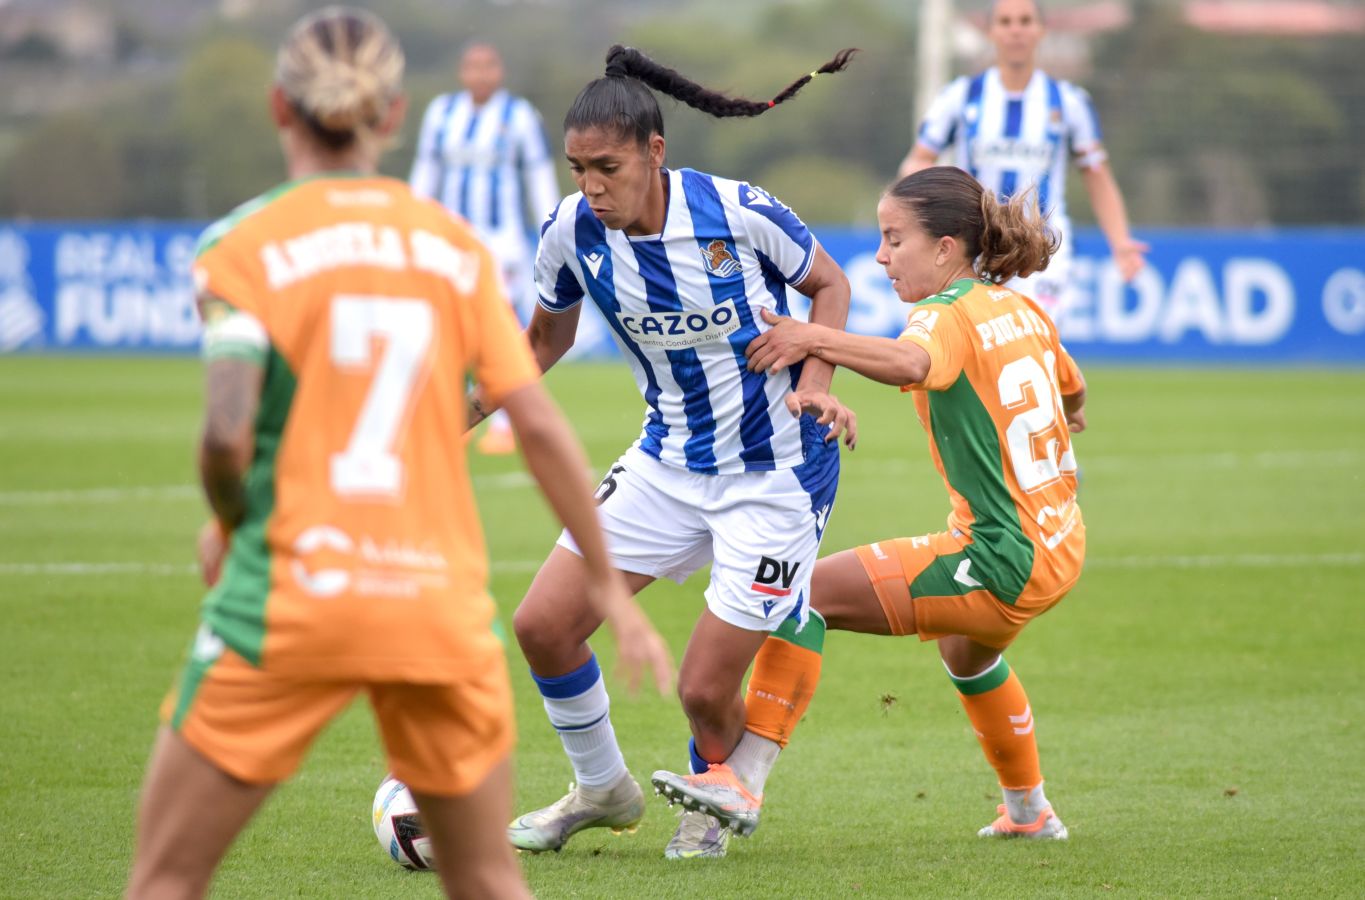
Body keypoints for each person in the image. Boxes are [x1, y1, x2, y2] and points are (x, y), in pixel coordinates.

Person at [125, 10, 671, 900]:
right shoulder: (450, 251)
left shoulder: (240, 246)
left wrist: (230, 526)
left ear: (278, 107)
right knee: (490, 881)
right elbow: (534, 426)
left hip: (292, 594)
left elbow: (227, 434)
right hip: (432, 606)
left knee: (167, 879)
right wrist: (612, 588)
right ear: (391, 117)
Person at [465, 44, 858, 860]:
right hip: (665, 461)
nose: (591, 187)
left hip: (776, 472)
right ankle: (602, 788)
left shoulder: (736, 211)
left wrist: (814, 378)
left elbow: (829, 285)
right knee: (543, 625)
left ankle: (708, 801)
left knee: (703, 690)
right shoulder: (571, 232)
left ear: (654, 151)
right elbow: (536, 346)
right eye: (576, 169)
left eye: (606, 167)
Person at [664, 165, 1086, 840]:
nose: (883, 256)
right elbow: (1073, 388)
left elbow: (913, 364)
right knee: (966, 654)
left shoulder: (940, 313)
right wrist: (1068, 415)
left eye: (894, 239)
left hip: (1002, 554)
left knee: (798, 593)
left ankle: (741, 781)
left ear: (945, 249)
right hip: (1061, 543)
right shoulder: (1019, 307)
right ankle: (1028, 812)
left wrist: (811, 336)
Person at [899, 0, 1146, 319]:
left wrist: (1121, 242)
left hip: (1042, 247)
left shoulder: (1069, 102)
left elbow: (1096, 173)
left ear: (1041, 30)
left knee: (1038, 340)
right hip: (976, 243)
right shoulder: (960, 96)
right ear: (991, 31)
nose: (1016, 30)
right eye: (1006, 22)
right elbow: (917, 162)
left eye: (1025, 21)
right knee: (976, 346)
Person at [410, 41, 561, 455]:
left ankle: (505, 421)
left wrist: (552, 230)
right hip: (450, 242)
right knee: (445, 327)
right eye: (472, 67)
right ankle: (450, 417)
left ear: (500, 72)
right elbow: (425, 175)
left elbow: (539, 178)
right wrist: (414, 228)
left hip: (500, 243)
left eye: (488, 66)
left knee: (502, 329)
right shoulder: (441, 113)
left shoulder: (520, 117)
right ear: (462, 72)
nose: (480, 75)